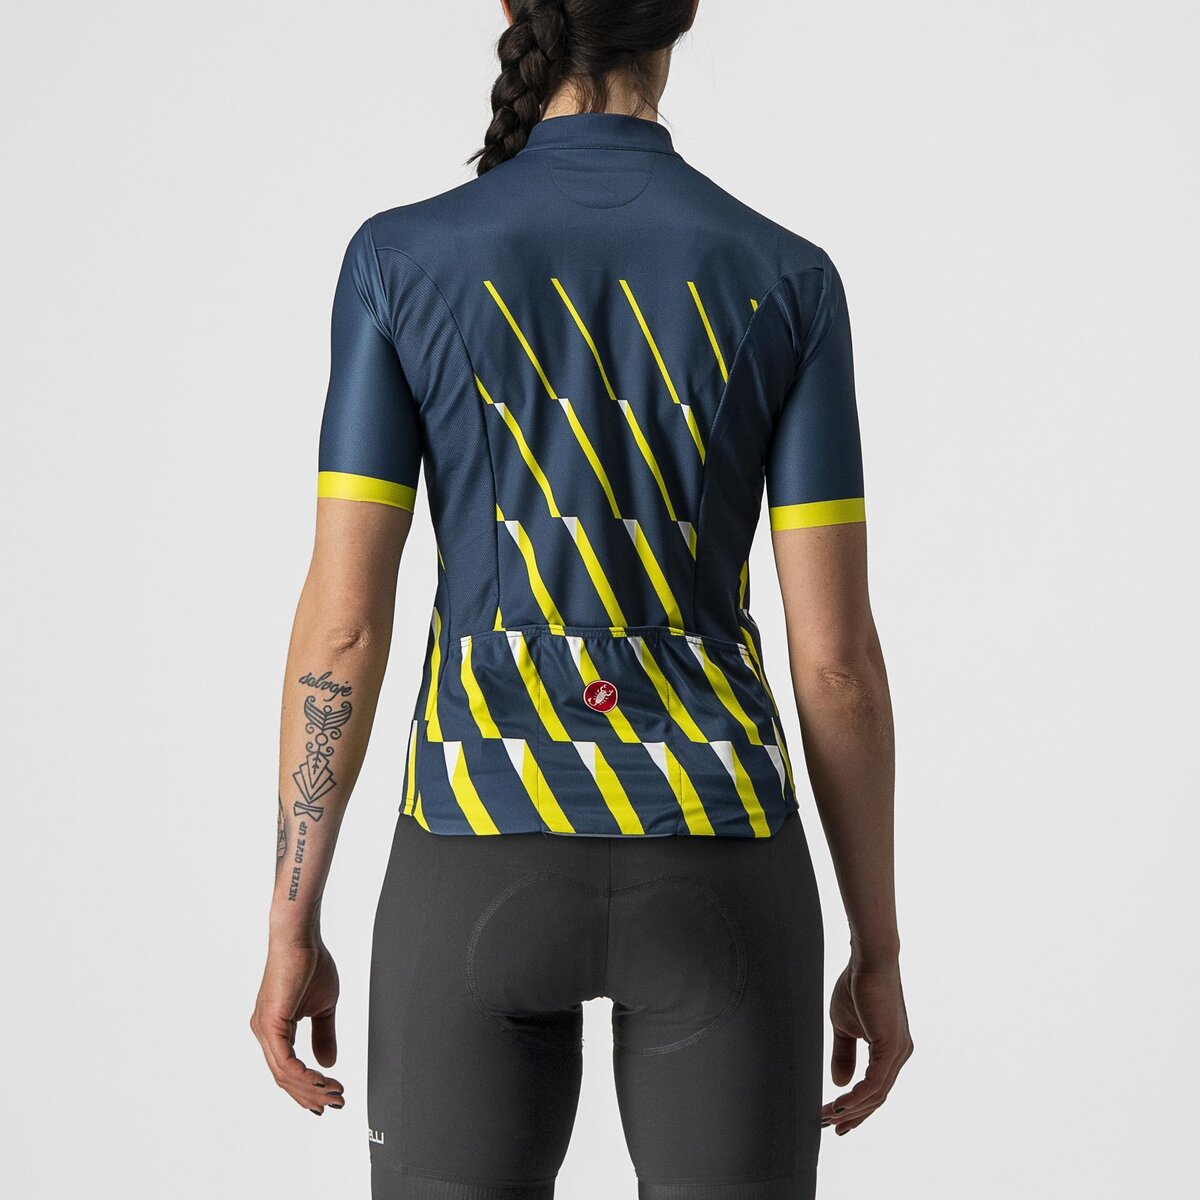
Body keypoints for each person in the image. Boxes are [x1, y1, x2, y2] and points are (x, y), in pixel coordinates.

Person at [251, 1, 912, 1196]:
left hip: (472, 843)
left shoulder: (399, 262)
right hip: (719, 859)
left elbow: (343, 629)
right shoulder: (787, 278)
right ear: (684, 12)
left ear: (516, 9)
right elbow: (837, 667)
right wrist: (879, 947)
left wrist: (291, 919)